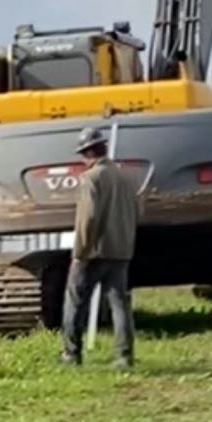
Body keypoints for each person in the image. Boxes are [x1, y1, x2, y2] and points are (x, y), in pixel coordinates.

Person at [61, 126, 137, 369]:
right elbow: (137, 212)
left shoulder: (91, 179)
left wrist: (80, 252)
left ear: (89, 152)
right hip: (121, 250)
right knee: (120, 305)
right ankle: (124, 356)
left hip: (94, 252)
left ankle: (72, 355)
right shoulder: (126, 177)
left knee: (75, 302)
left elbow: (88, 218)